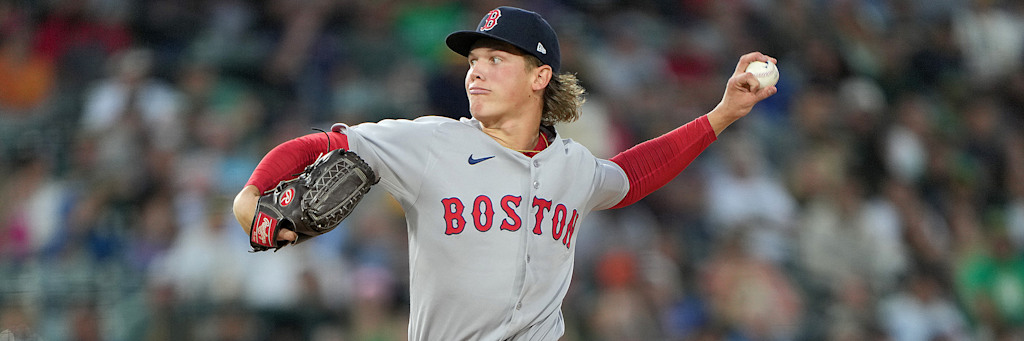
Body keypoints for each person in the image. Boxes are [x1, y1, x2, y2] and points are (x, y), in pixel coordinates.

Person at [232, 6, 776, 340]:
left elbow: (631, 176)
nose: (476, 72)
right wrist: (252, 197)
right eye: (473, 61)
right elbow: (320, 143)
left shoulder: (573, 167)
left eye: (496, 59)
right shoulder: (430, 142)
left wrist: (723, 113)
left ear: (541, 76)